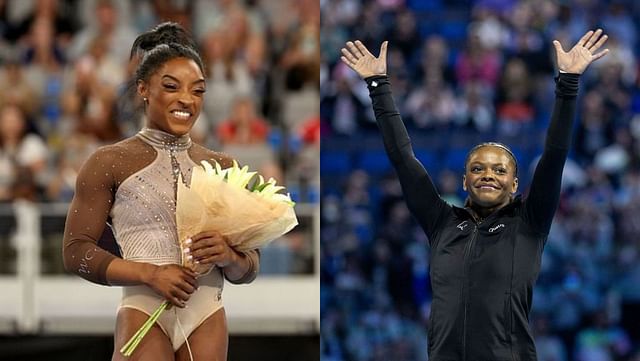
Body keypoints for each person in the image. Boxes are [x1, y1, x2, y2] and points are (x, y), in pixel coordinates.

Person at [340, 29, 609, 360]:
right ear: (465, 181)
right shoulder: (441, 222)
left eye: (499, 171)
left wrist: (568, 83)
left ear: (514, 184)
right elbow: (402, 158)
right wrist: (378, 86)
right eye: (478, 169)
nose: (488, 175)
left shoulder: (530, 222)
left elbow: (554, 155)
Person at [62, 22, 260, 361]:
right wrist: (149, 273)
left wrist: (229, 256)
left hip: (207, 314)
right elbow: (76, 252)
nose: (187, 99)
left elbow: (250, 267)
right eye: (172, 86)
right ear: (143, 89)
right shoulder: (109, 162)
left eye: (198, 91)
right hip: (142, 308)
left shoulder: (223, 167)